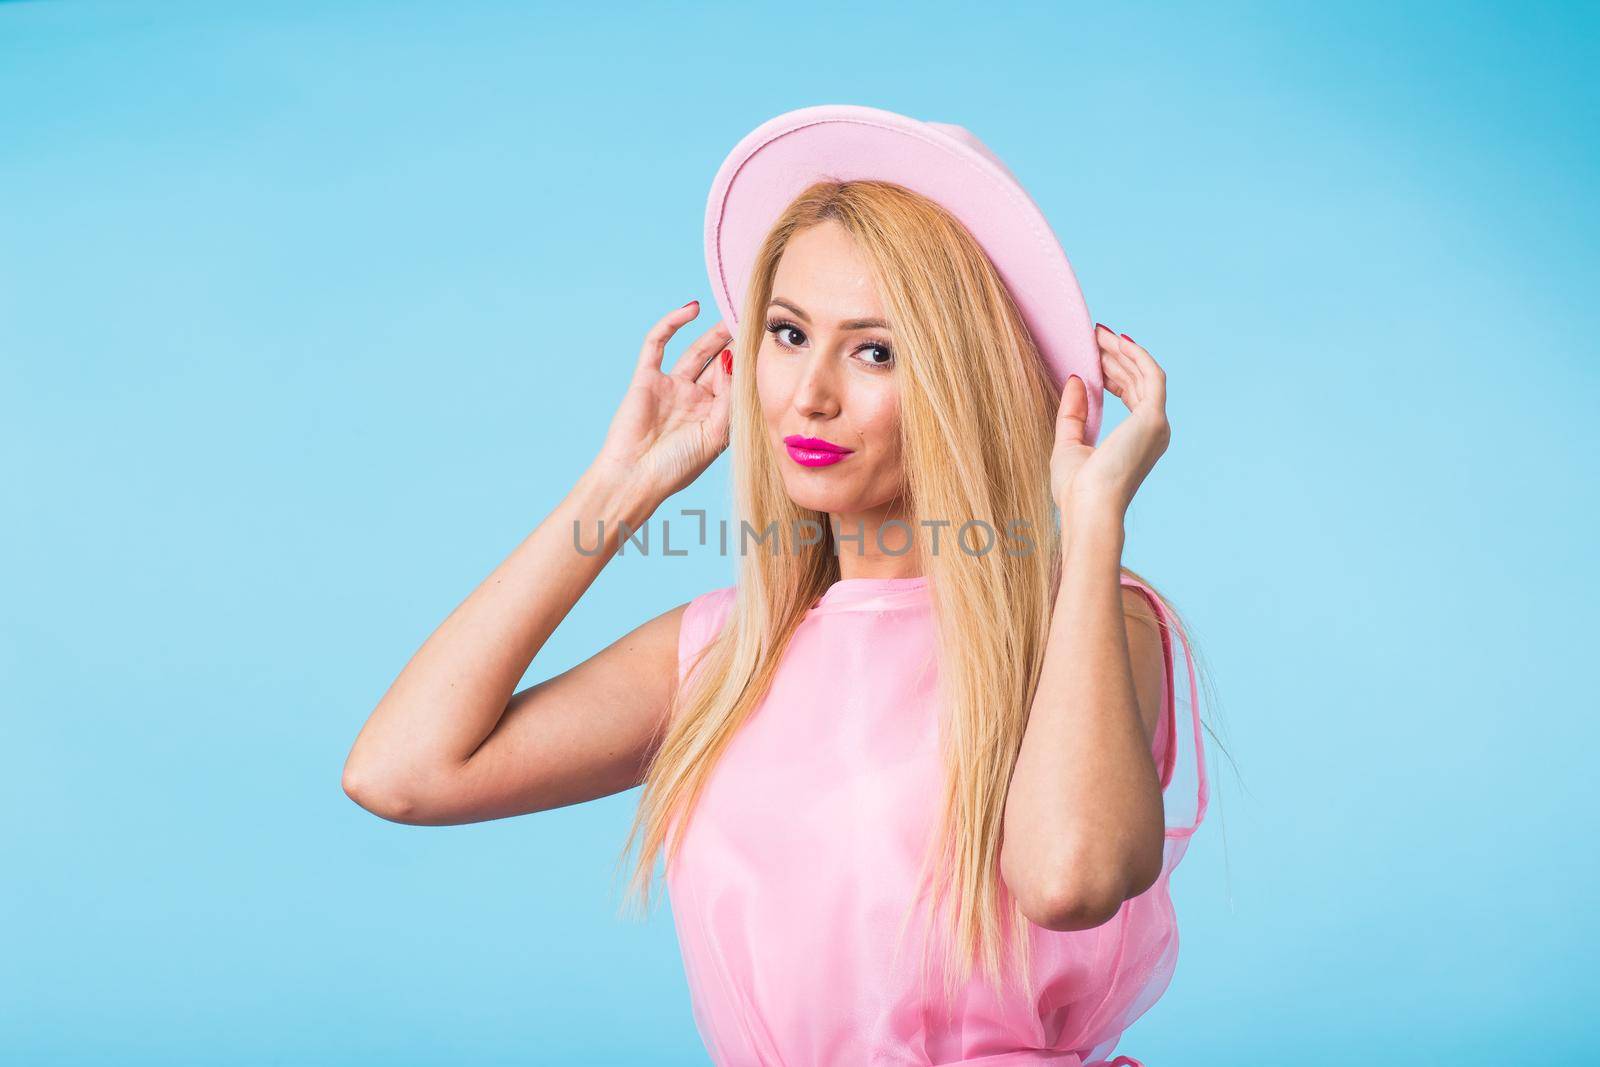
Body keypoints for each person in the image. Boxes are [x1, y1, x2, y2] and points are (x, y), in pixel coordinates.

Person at [342, 105, 1211, 1066]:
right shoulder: (721, 654)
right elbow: (401, 774)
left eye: (875, 350)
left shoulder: (1093, 624)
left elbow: (1070, 879)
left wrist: (1089, 535)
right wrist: (617, 489)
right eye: (790, 333)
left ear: (962, 378)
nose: (811, 393)